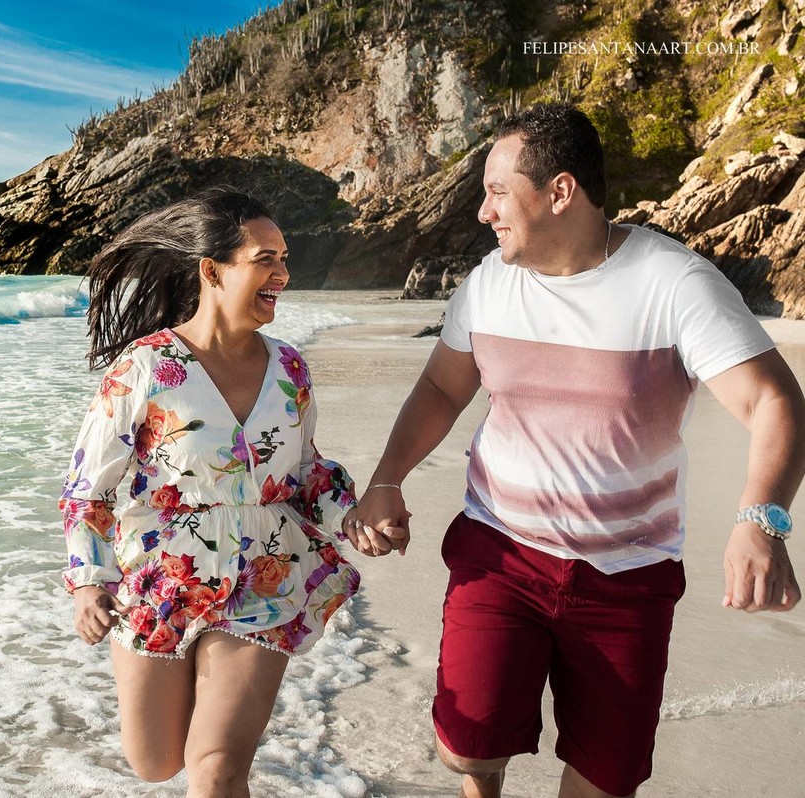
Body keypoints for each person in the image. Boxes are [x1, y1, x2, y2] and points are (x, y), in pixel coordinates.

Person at [344, 103, 805, 798]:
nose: (482, 212)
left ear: (559, 191)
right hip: (499, 552)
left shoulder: (675, 284)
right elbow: (442, 388)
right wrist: (386, 479)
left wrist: (760, 519)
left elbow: (774, 400)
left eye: (498, 192)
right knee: (465, 750)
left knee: (603, 781)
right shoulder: (488, 286)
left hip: (628, 575)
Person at [58, 188, 361, 797]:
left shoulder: (290, 369)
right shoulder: (146, 368)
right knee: (155, 760)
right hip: (163, 577)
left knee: (218, 766)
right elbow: (88, 489)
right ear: (212, 270)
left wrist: (355, 518)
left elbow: (304, 475)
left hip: (264, 573)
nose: (283, 272)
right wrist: (90, 581)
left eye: (284, 257)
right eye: (265, 258)